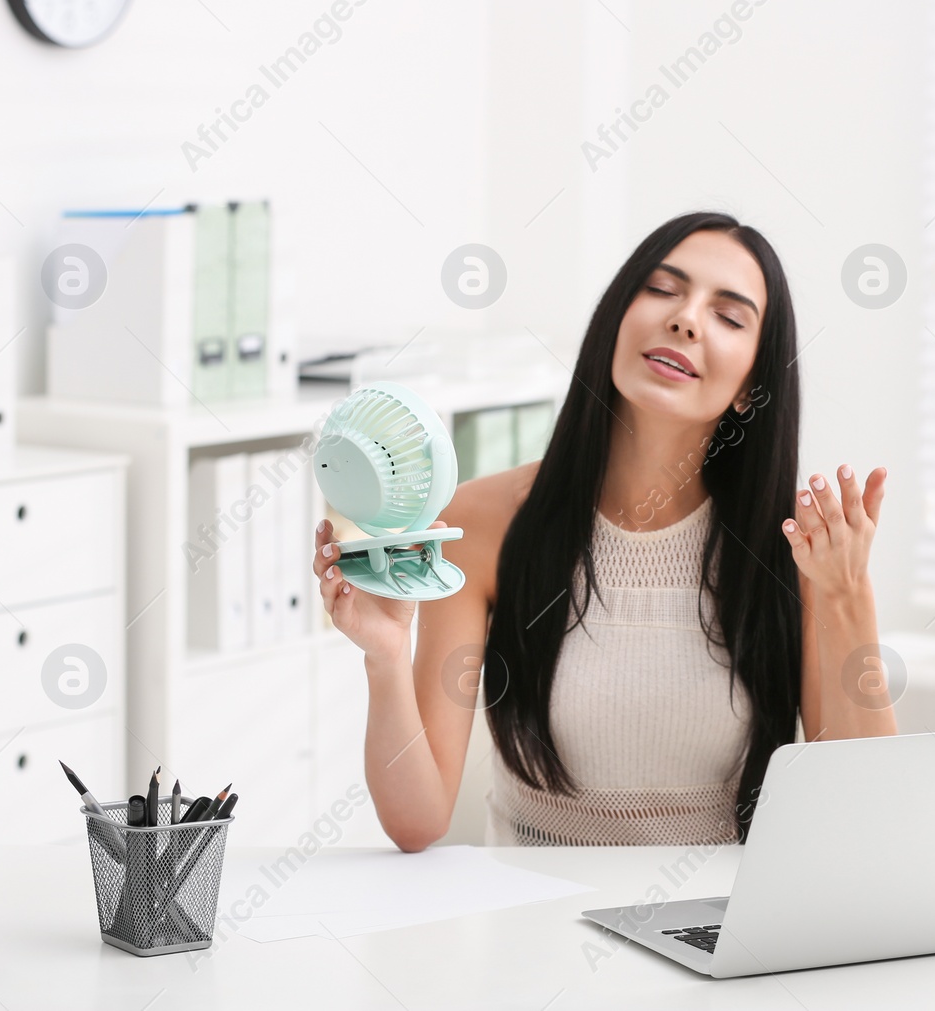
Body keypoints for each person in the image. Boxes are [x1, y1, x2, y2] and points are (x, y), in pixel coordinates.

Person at [313, 210, 892, 850]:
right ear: (616, 319)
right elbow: (416, 822)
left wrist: (846, 593)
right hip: (532, 928)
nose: (687, 318)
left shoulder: (796, 545)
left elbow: (865, 817)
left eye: (728, 316)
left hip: (716, 928)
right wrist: (385, 656)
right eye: (663, 290)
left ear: (751, 389)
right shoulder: (481, 523)